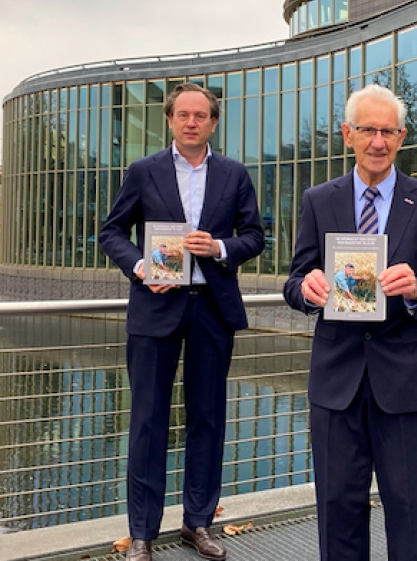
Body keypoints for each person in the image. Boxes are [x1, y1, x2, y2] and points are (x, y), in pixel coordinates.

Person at [283, 84, 417, 561]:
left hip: (408, 385)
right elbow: (296, 278)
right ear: (348, 134)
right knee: (338, 510)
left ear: (402, 137)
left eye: (388, 131)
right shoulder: (318, 200)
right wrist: (305, 290)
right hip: (336, 384)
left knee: (412, 511)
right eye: (368, 130)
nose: (378, 141)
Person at [100, 82, 264, 561]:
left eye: (201, 115)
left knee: (207, 419)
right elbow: (112, 231)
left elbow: (255, 236)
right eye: (183, 115)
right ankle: (143, 533)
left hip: (212, 308)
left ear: (213, 123)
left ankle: (198, 523)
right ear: (170, 120)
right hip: (155, 309)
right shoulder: (143, 171)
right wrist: (139, 266)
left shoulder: (234, 175)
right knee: (148, 421)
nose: (192, 122)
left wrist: (219, 247)